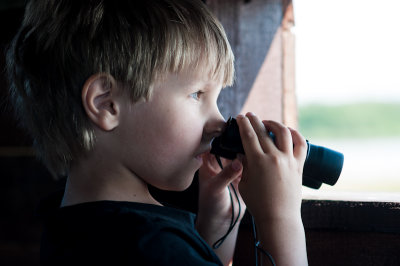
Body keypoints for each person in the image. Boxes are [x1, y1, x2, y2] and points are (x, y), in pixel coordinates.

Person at [6, 0, 308, 265]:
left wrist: (213, 228)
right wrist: (280, 219)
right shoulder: (152, 246)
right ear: (106, 104)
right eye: (197, 94)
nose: (218, 122)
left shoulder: (75, 226)